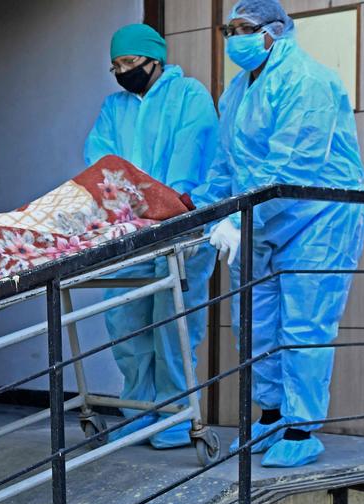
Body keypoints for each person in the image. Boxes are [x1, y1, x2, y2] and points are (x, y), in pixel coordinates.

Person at [195, 0, 364, 467]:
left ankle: (301, 428)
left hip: (318, 217)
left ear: (273, 31)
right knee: (254, 321)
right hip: (260, 218)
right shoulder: (235, 91)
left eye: (244, 28)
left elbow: (294, 165)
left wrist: (236, 218)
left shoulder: (307, 80)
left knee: (304, 323)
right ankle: (271, 416)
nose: (235, 38)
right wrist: (199, 207)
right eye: (228, 29)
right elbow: (225, 164)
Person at [85, 23, 220, 449]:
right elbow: (100, 163)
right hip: (129, 232)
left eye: (129, 62)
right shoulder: (114, 107)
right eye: (117, 66)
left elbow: (189, 161)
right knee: (125, 326)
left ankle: (176, 417)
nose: (123, 71)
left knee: (172, 326)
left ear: (154, 59)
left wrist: (165, 210)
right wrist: (123, 213)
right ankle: (139, 413)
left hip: (181, 226)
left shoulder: (189, 97)